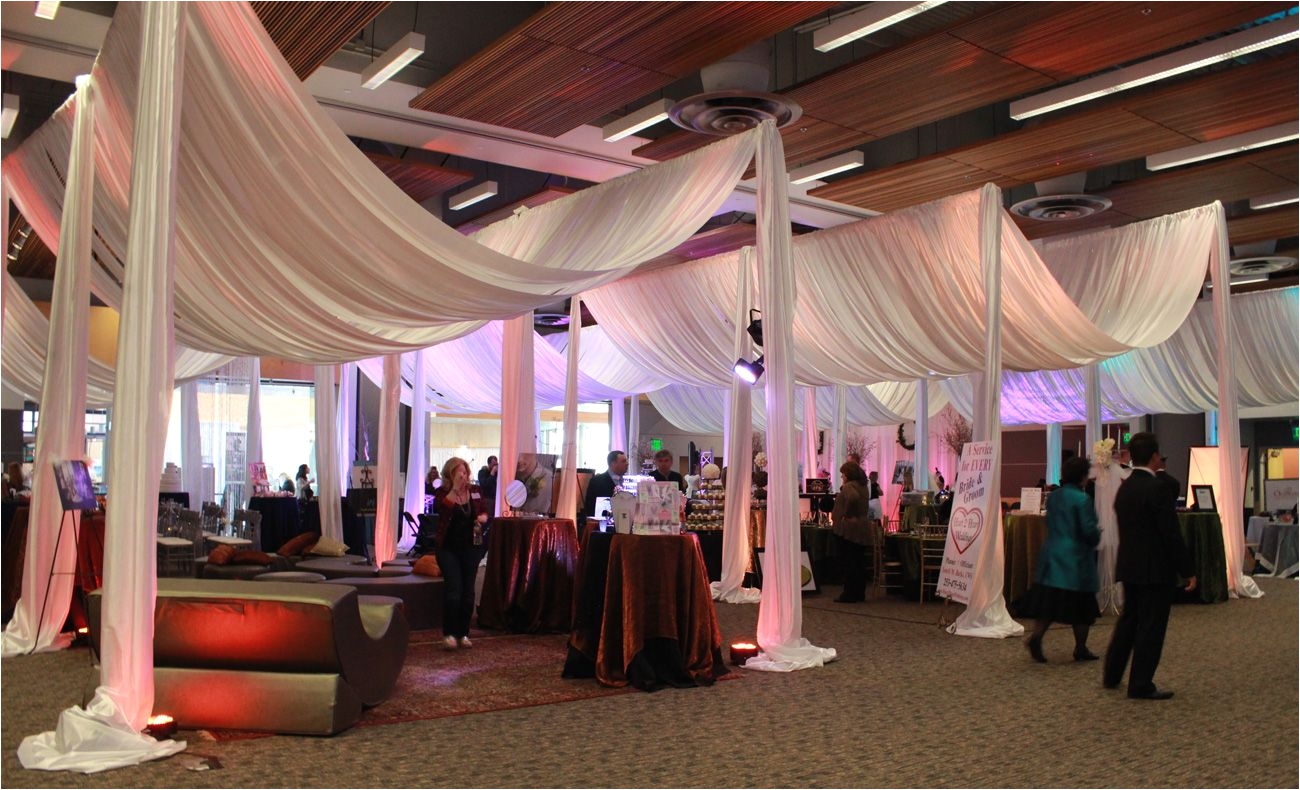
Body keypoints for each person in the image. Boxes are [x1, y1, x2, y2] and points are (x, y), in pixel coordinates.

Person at [1103, 432, 1196, 700]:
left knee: (1129, 621)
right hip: (1154, 569)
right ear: (1155, 457)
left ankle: (1112, 674)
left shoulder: (1126, 486)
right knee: (1151, 626)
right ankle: (1140, 683)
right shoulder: (1158, 489)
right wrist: (1187, 569)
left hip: (1129, 564)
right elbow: (1170, 534)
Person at [1022, 456, 1102, 663]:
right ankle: (1080, 647)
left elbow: (1049, 521)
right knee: (1082, 605)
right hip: (1075, 558)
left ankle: (1036, 637)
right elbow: (1088, 530)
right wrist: (1097, 534)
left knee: (1049, 603)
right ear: (1083, 477)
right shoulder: (1083, 499)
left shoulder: (1055, 496)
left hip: (1052, 554)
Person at [432, 456, 489, 650]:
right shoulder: (442, 492)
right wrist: (455, 489)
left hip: (471, 547)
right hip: (448, 548)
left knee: (468, 593)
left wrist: (482, 517)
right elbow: (443, 509)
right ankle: (449, 633)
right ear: (450, 474)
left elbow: (483, 510)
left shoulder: (475, 491)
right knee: (454, 591)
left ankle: (463, 633)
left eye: (465, 472)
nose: (463, 476)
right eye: (459, 472)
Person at [830, 461, 875, 603]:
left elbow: (852, 498)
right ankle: (859, 592)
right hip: (862, 526)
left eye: (843, 474)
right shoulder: (863, 486)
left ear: (848, 474)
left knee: (849, 561)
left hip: (850, 528)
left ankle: (849, 593)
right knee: (858, 561)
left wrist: (847, 514)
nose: (842, 477)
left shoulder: (849, 486)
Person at [582, 450, 628, 521]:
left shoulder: (628, 481)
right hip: (603, 524)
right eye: (623, 461)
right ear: (613, 464)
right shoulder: (597, 481)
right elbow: (590, 506)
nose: (627, 463)